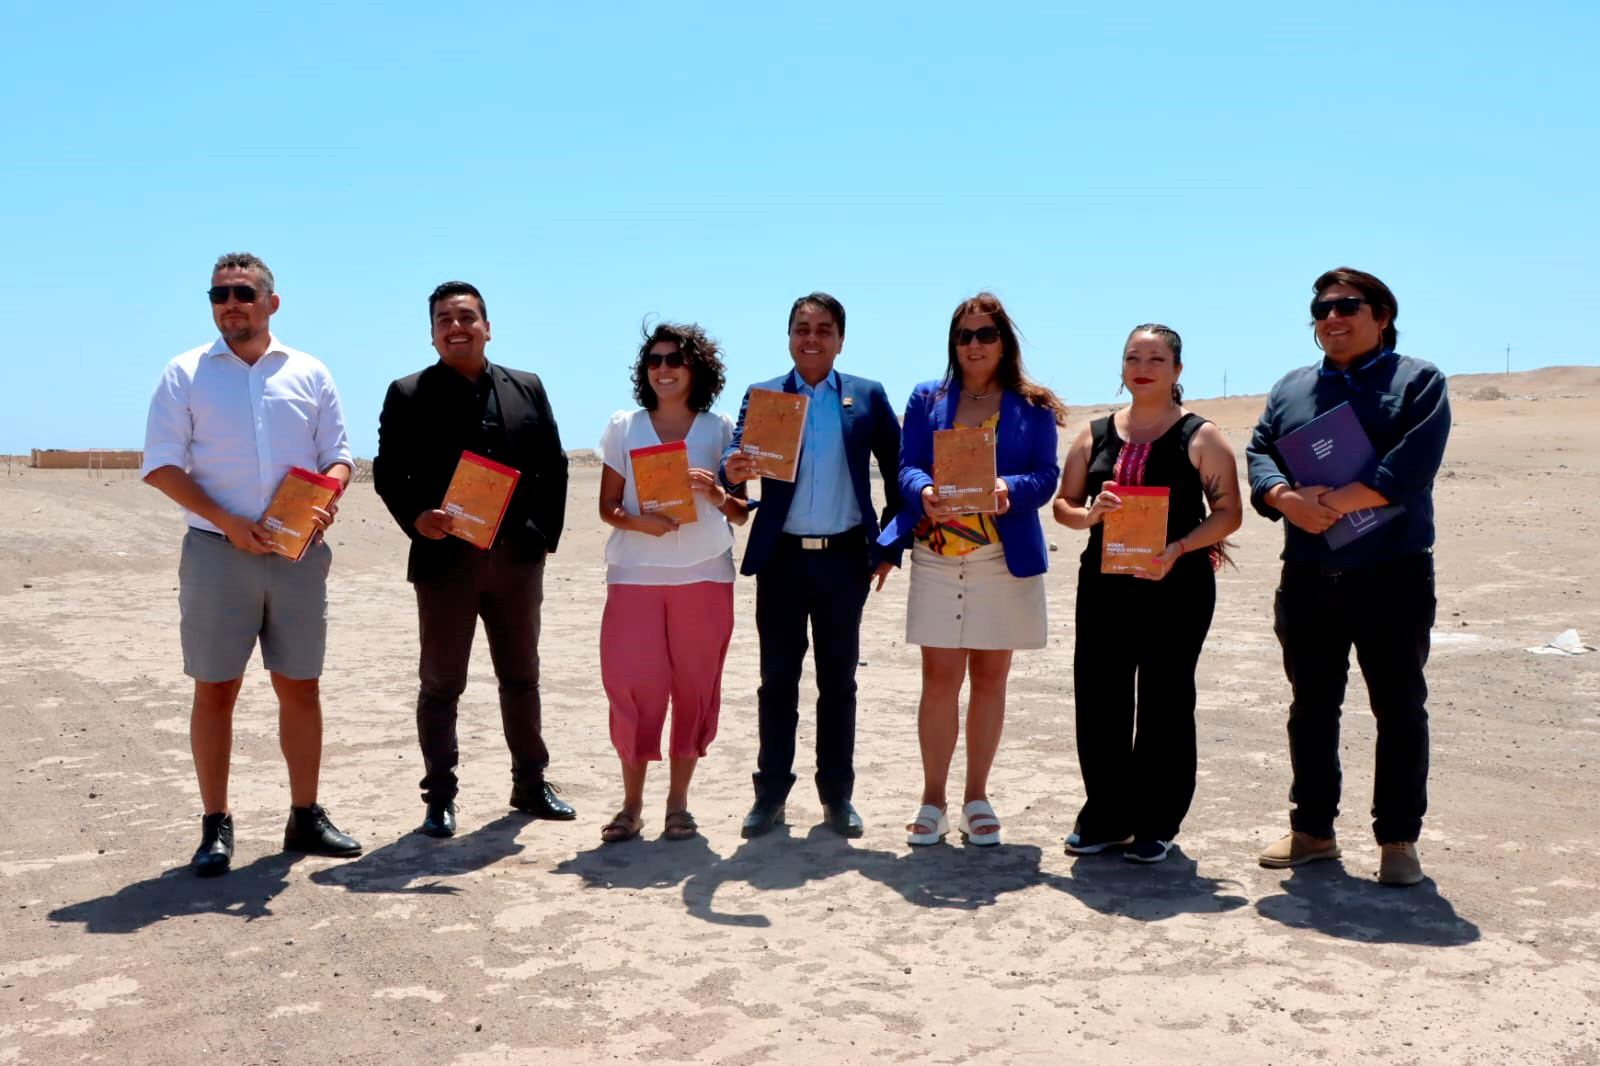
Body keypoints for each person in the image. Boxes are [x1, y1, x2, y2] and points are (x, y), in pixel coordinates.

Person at [141, 251, 361, 876]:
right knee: (216, 690)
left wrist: (327, 499)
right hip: (217, 555)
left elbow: (338, 455)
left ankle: (306, 815)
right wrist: (228, 524)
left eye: (241, 292)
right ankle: (215, 826)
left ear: (271, 302)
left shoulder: (310, 372)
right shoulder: (184, 374)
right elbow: (160, 465)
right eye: (218, 295)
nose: (229, 304)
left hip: (298, 556)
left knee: (301, 687)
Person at [1247, 268, 1449, 886]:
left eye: (1346, 306)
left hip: (1393, 574)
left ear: (1381, 315)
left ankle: (1397, 841)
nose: (1331, 317)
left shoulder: (1418, 381)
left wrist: (1324, 505)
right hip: (1310, 574)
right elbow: (1259, 452)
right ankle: (1313, 831)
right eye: (1321, 309)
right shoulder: (1291, 387)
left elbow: (1406, 470)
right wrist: (1283, 497)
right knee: (1311, 707)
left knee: (1399, 708)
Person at [374, 281, 573, 839]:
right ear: (432, 332)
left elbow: (553, 464)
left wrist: (544, 537)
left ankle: (531, 784)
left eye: (466, 317)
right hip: (446, 562)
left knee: (522, 677)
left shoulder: (526, 387)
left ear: (487, 326)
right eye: (444, 319)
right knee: (441, 683)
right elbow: (390, 472)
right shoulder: (408, 393)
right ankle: (440, 797)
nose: (455, 327)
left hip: (517, 561)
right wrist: (419, 516)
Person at [877, 293, 1065, 847]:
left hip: (1001, 559)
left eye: (985, 334)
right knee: (938, 681)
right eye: (964, 336)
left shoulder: (1031, 406)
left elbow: (1045, 476)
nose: (975, 345)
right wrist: (924, 490)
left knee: (990, 680)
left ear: (1003, 341)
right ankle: (932, 799)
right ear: (952, 344)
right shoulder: (926, 398)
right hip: (939, 555)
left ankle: (975, 798)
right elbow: (906, 465)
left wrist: (1012, 488)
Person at [1053, 324, 1242, 864]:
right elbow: (1063, 504)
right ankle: (1106, 818)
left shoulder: (1201, 436)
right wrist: (1089, 514)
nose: (1143, 366)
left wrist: (1180, 548)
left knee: (1165, 700)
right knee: (1100, 699)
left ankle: (1157, 823)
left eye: (1156, 358)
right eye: (1133, 356)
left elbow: (1228, 514)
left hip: (1176, 586)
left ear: (1177, 371)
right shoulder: (1092, 435)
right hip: (1104, 586)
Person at [721, 292, 903, 838]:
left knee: (838, 684)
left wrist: (889, 547)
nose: (812, 339)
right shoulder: (765, 397)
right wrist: (733, 470)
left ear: (840, 339)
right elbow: (736, 473)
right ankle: (769, 796)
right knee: (776, 682)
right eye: (802, 329)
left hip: (845, 560)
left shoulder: (867, 397)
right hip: (781, 560)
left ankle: (837, 798)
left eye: (824, 330)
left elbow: (899, 474)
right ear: (788, 337)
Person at [595, 322, 750, 843]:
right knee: (633, 686)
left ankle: (678, 805)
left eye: (674, 360)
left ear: (694, 369)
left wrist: (715, 494)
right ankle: (631, 805)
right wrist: (643, 524)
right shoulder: (625, 426)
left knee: (694, 687)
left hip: (705, 575)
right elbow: (607, 507)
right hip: (634, 576)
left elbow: (741, 511)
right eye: (655, 360)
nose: (663, 369)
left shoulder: (721, 429)